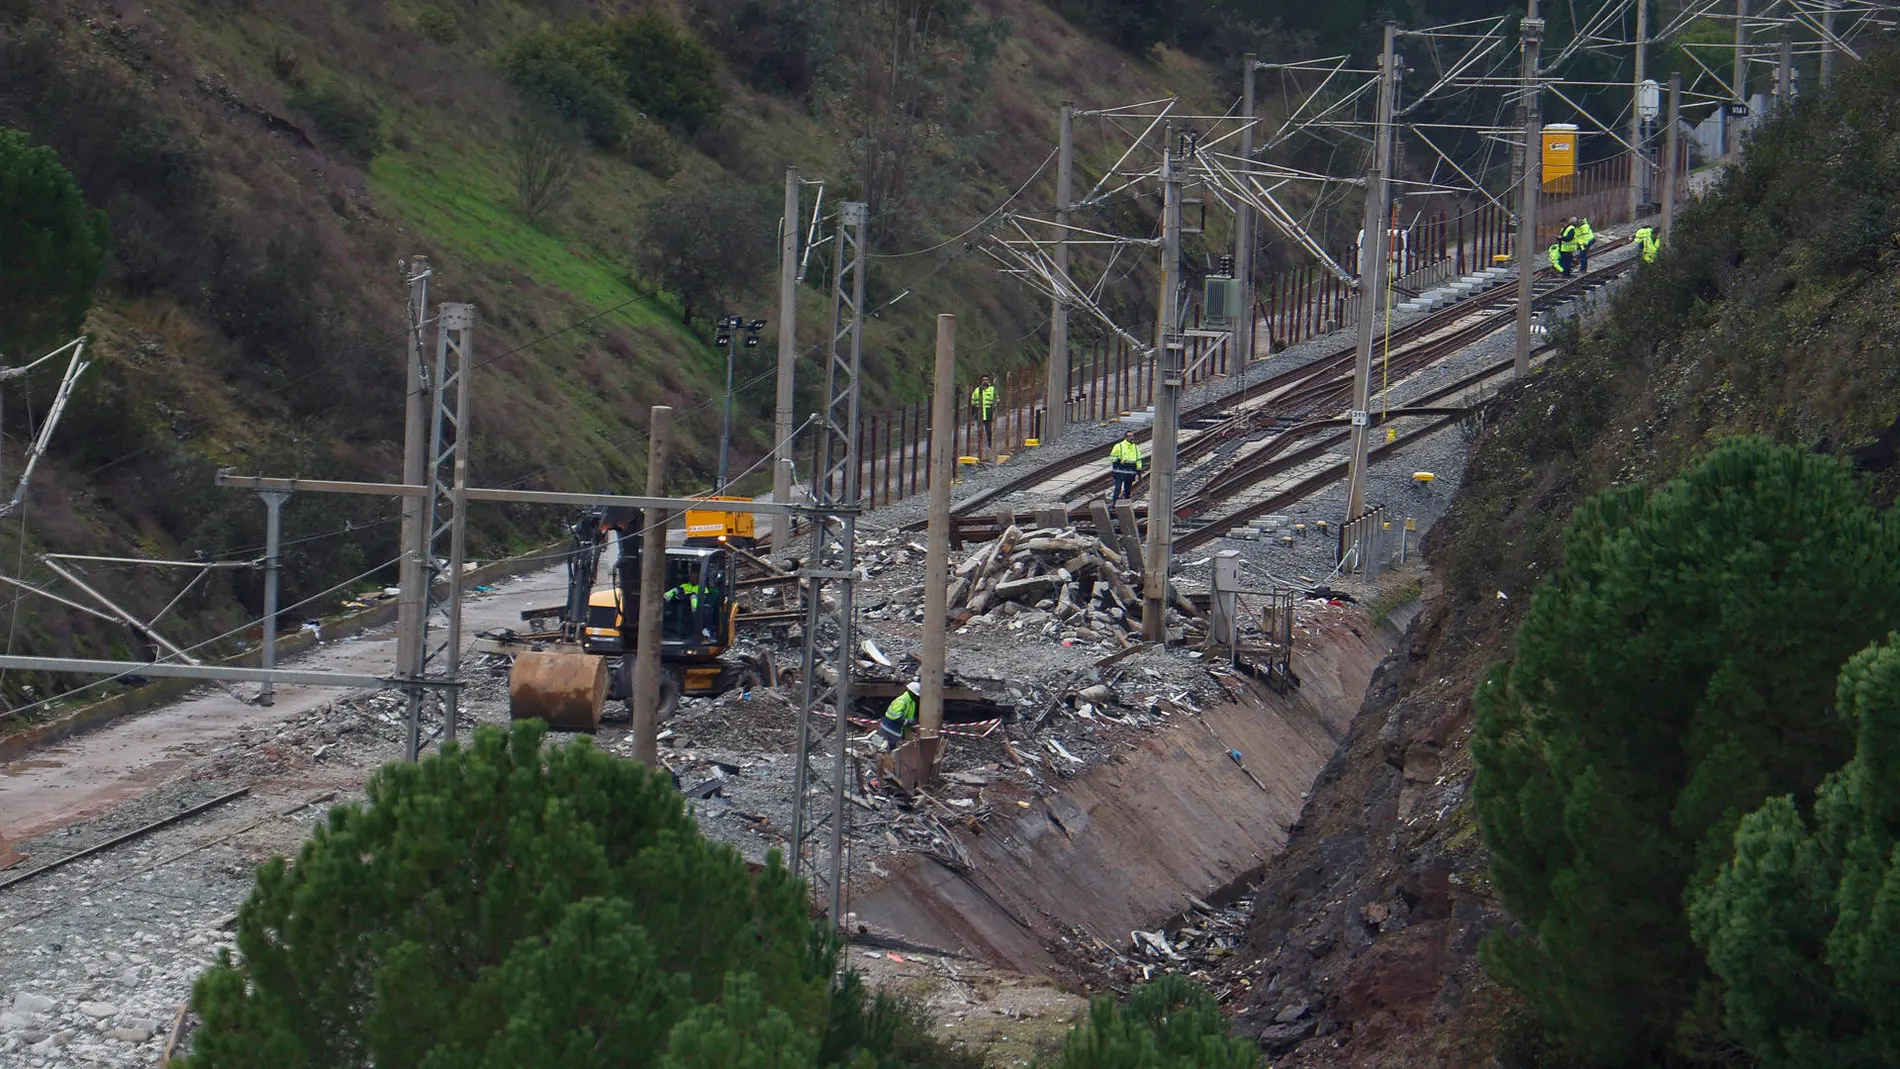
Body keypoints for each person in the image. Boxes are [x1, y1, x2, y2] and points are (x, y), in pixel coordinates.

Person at [1108, 429, 1145, 504]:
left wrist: (1139, 469)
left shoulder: (1135, 447)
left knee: (1128, 489)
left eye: (1132, 436)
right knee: (1117, 488)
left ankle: (1125, 505)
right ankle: (1114, 503)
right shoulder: (1119, 446)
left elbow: (1138, 459)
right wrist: (1119, 461)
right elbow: (1112, 457)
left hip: (1130, 471)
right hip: (1120, 471)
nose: (1132, 438)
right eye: (1130, 436)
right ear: (1126, 437)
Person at [880, 680, 921, 747]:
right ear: (912, 693)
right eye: (917, 696)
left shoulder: (911, 702)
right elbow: (895, 717)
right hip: (889, 730)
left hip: (895, 731)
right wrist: (908, 722)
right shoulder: (902, 701)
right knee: (885, 749)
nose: (918, 698)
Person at [970, 375, 997, 457]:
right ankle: (979, 446)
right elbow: (973, 403)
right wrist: (972, 416)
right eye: (983, 380)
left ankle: (989, 445)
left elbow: (996, 400)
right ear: (981, 381)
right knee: (979, 430)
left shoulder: (992, 390)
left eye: (986, 380)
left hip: (988, 412)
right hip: (979, 412)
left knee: (988, 430)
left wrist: (994, 408)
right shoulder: (977, 391)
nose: (985, 381)